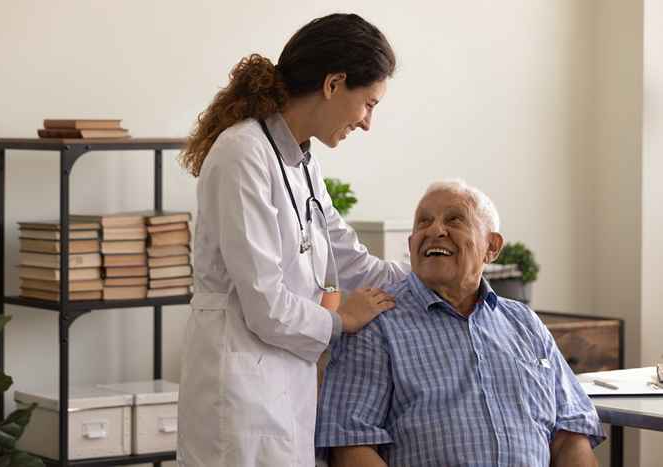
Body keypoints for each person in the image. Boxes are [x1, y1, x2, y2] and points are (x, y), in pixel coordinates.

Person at [176, 13, 409, 467]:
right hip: (239, 392)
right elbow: (266, 303)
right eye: (369, 104)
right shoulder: (242, 153)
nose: (367, 123)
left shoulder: (303, 163)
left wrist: (430, 280)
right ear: (334, 83)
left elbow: (352, 258)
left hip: (282, 387)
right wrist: (344, 319)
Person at [316, 179, 606, 467]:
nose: (435, 230)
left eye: (454, 219)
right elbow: (350, 445)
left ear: (491, 247)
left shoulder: (525, 323)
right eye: (423, 222)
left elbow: (572, 431)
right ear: (411, 244)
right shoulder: (377, 322)